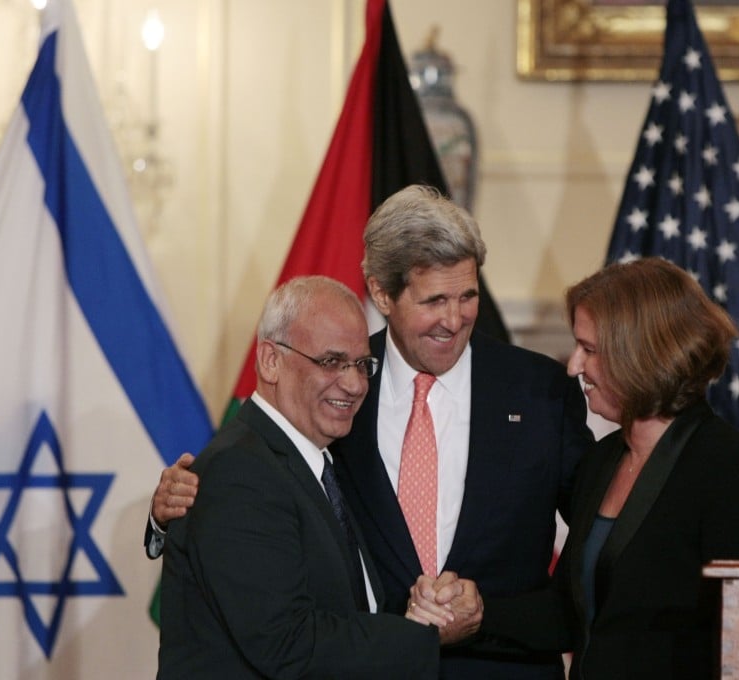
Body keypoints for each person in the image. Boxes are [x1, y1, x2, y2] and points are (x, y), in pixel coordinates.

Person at [149, 185, 594, 679]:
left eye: (467, 296)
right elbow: (261, 490)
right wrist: (168, 514)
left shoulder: (539, 391)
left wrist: (531, 618)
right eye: (434, 299)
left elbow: (599, 523)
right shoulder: (338, 391)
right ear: (382, 293)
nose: (455, 318)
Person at [412, 258, 739, 679]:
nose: (573, 366)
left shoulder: (726, 468)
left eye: (589, 350)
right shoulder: (603, 460)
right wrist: (476, 611)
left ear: (640, 353)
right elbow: (567, 614)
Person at [158, 275, 439, 678]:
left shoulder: (318, 461)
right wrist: (423, 635)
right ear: (271, 360)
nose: (356, 383)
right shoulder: (240, 472)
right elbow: (284, 643)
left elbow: (340, 603)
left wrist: (423, 607)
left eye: (362, 364)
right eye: (331, 361)